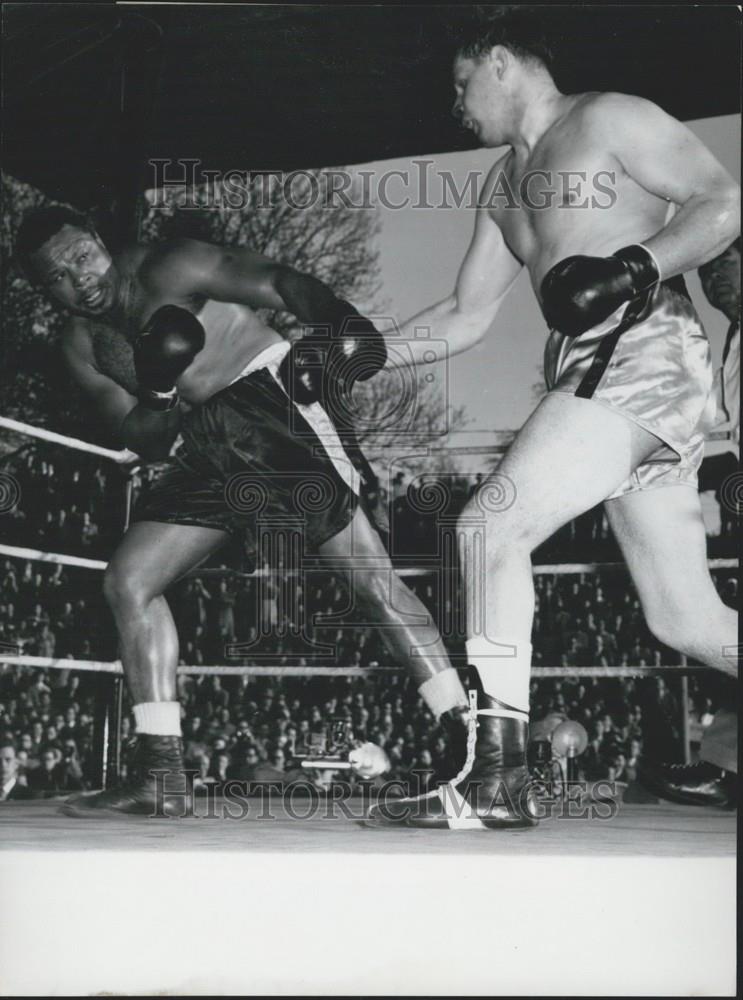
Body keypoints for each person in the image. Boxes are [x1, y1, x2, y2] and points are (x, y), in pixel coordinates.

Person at [368, 10, 739, 828]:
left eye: (461, 84)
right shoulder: (500, 187)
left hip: (643, 350)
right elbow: (465, 316)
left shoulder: (607, 117)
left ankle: (493, 780)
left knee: (487, 527)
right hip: (590, 373)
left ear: (499, 61)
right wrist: (357, 354)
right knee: (681, 617)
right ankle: (494, 779)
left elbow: (722, 200)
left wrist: (631, 269)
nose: (456, 104)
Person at [15, 205, 471, 817]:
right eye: (58, 277)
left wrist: (340, 321)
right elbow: (142, 438)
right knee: (130, 581)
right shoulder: (80, 343)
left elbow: (279, 281)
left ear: (100, 238)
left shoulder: (170, 264)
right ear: (46, 290)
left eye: (81, 256)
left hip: (270, 403)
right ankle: (161, 772)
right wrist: (157, 386)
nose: (80, 278)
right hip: (202, 439)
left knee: (369, 580)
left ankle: (472, 744)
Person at [638, 238, 740, 808]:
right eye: (706, 271)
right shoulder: (730, 341)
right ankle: (725, 768)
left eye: (727, 262)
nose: (713, 279)